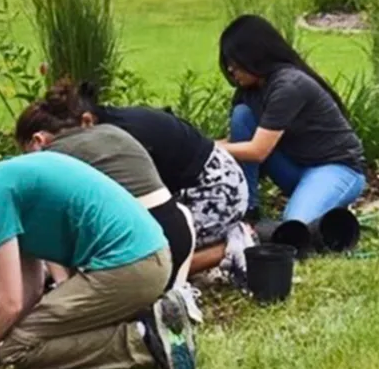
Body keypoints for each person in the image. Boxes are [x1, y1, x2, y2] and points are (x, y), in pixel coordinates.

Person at [0, 150, 196, 369]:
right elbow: (28, 293)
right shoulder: (5, 181)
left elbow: (9, 302)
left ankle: (144, 340)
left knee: (17, 351)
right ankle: (150, 322)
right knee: (24, 336)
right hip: (148, 260)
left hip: (130, 267)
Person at [14, 82, 196, 293]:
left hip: (137, 248)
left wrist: (63, 286)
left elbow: (48, 226)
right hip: (179, 231)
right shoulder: (111, 132)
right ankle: (174, 294)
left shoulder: (51, 158)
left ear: (38, 140)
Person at [72, 82, 252, 282]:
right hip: (202, 181)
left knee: (152, 263)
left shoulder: (119, 138)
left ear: (86, 121)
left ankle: (229, 248)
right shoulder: (110, 122)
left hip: (217, 190)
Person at [217, 14, 367, 225]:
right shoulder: (251, 91)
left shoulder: (288, 85)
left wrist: (208, 148)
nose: (231, 69)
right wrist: (200, 144)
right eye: (227, 62)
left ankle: (326, 203)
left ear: (253, 55)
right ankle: (248, 210)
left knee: (295, 225)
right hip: (295, 167)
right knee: (242, 115)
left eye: (234, 62)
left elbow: (257, 151)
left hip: (336, 167)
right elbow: (238, 143)